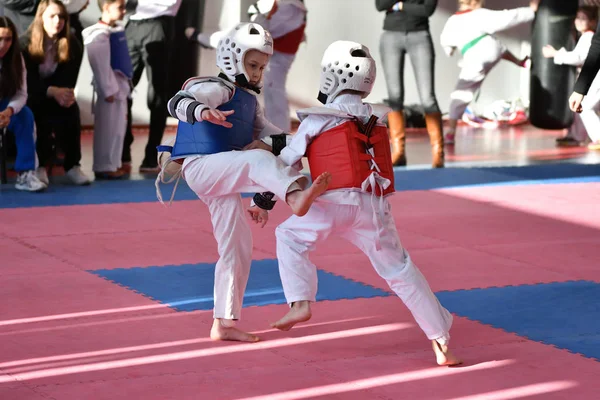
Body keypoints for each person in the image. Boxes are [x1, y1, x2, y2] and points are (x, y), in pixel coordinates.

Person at [248, 40, 461, 366]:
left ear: (330, 77)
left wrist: (263, 200)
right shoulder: (376, 119)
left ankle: (300, 302)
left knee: (289, 237)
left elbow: (288, 162)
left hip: (329, 200)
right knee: (401, 271)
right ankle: (440, 339)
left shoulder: (319, 118)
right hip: (373, 208)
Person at [158, 22, 331, 343]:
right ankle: (294, 197)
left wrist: (311, 140)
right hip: (202, 166)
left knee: (238, 247)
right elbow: (178, 102)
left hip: (220, 172)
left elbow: (274, 138)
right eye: (252, 65)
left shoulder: (248, 101)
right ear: (233, 59)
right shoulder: (217, 88)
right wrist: (202, 111)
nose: (257, 73)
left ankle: (222, 323)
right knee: (258, 159)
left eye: (261, 67)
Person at [440, 0, 539, 144]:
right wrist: (531, 11)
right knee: (497, 45)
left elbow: (446, 44)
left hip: (476, 58)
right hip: (492, 49)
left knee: (461, 93)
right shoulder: (479, 15)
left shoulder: (452, 21)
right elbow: (510, 17)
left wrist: (451, 50)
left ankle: (451, 132)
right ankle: (521, 62)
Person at [20, 0, 90, 186]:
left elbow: (70, 78)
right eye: (52, 16)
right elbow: (26, 81)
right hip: (33, 94)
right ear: (41, 18)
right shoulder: (24, 44)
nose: (57, 20)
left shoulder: (73, 43)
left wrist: (65, 95)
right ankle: (40, 165)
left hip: (58, 92)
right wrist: (50, 91)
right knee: (37, 112)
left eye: (61, 16)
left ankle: (73, 165)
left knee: (71, 110)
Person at [375, 0, 444, 168]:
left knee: (428, 98)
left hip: (419, 35)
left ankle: (438, 154)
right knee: (394, 97)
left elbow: (427, 9)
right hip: (391, 35)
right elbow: (380, 5)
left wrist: (400, 6)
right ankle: (398, 152)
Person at [121, 0, 182, 173]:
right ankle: (122, 152)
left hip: (157, 23)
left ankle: (150, 156)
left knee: (156, 94)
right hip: (132, 24)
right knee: (121, 87)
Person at [82, 0, 131, 179]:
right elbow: (100, 66)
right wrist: (108, 89)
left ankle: (114, 163)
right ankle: (104, 166)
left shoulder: (113, 30)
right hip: (109, 89)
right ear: (105, 7)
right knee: (108, 129)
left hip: (120, 86)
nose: (124, 11)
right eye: (120, 7)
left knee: (118, 129)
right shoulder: (97, 34)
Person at [0, 15, 45, 191]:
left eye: (8, 39)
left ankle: (26, 174)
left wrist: (8, 112)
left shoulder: (16, 59)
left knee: (25, 115)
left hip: (4, 106)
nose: (3, 44)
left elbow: (21, 93)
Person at [547, 6, 600, 151]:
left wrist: (556, 54)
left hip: (596, 79)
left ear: (593, 21)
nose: (579, 22)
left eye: (584, 19)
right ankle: (577, 136)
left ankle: (597, 137)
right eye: (578, 18)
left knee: (587, 107)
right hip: (590, 78)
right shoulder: (585, 37)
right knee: (580, 108)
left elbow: (580, 57)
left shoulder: (589, 37)